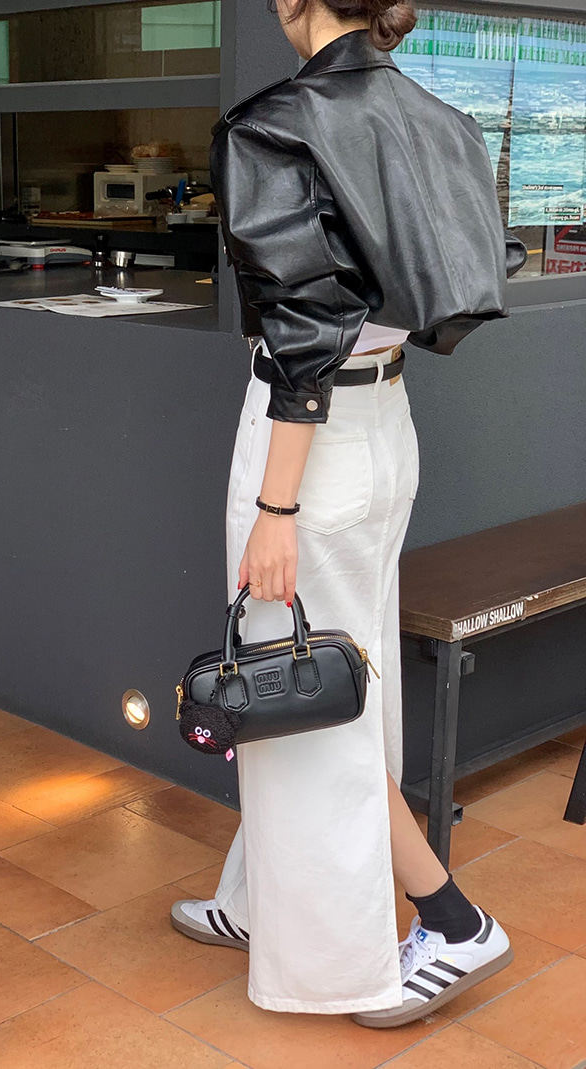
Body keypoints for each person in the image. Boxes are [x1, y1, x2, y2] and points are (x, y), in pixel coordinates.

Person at [170, 0, 527, 1030]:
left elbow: (302, 324)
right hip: (384, 428)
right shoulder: (442, 119)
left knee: (303, 693)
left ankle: (452, 919)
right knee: (334, 665)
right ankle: (260, 898)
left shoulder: (273, 125)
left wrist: (276, 502)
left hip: (305, 446)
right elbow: (466, 278)